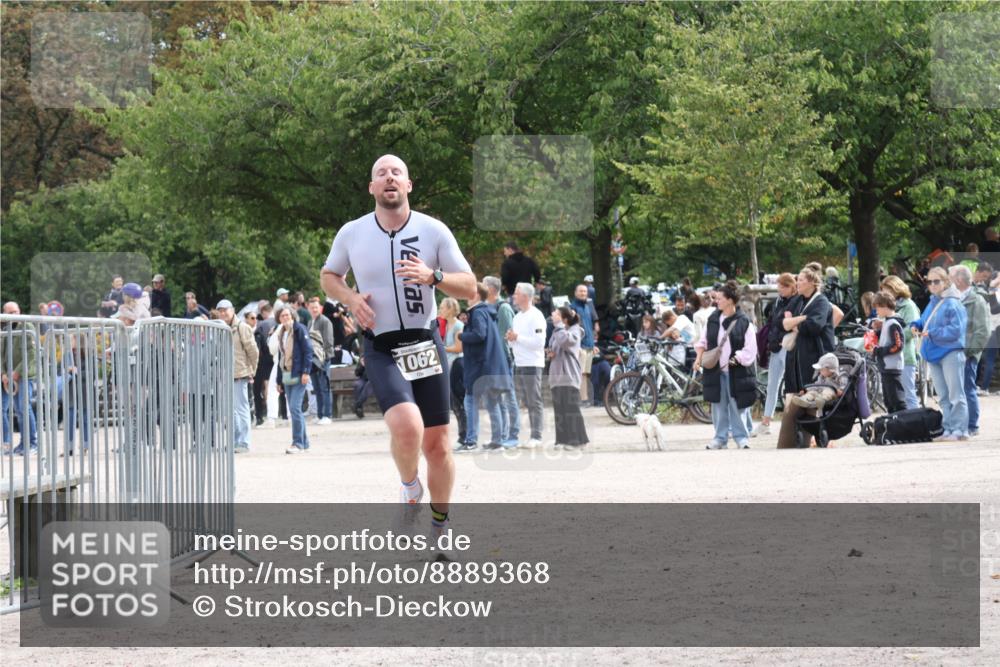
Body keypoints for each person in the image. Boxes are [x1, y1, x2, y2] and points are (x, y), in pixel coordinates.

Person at [320, 154, 476, 538]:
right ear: (372, 188)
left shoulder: (433, 230)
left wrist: (433, 275)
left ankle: (440, 527)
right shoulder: (352, 232)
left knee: (438, 444)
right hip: (381, 345)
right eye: (380, 173)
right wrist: (351, 299)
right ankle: (410, 488)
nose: (389, 177)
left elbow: (470, 287)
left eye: (397, 172)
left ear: (408, 185)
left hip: (425, 342)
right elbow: (329, 275)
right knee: (407, 427)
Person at [776, 267, 836, 449]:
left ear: (811, 282)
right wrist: (799, 320)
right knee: (794, 392)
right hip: (795, 355)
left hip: (815, 355)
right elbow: (781, 322)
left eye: (801, 280)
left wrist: (794, 322)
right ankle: (796, 437)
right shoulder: (796, 301)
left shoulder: (822, 302)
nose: (798, 283)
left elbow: (814, 325)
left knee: (813, 392)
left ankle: (817, 436)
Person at [693, 281, 757, 449]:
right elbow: (703, 341)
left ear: (730, 300)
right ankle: (720, 438)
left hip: (736, 371)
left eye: (720, 298)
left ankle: (741, 438)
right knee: (718, 406)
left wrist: (738, 358)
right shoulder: (713, 319)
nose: (716, 301)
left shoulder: (744, 321)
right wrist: (698, 358)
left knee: (737, 405)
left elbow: (750, 348)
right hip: (715, 370)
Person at [911, 267, 967, 441]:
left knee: (956, 395)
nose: (932, 285)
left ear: (946, 282)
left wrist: (933, 333)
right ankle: (948, 428)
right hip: (934, 353)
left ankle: (959, 430)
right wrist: (916, 324)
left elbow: (957, 330)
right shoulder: (933, 301)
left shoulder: (953, 303)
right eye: (930, 281)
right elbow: (925, 320)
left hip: (950, 352)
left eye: (937, 281)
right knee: (943, 396)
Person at [460, 283, 515, 450]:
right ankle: (497, 440)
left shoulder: (478, 312)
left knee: (470, 401)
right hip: (488, 366)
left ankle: (471, 441)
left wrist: (461, 335)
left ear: (476, 295)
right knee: (492, 403)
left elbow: (479, 334)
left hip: (480, 367)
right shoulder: (486, 311)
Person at [752, 273, 797, 437]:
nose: (780, 289)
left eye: (783, 286)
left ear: (792, 286)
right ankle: (766, 421)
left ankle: (792, 419)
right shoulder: (778, 301)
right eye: (779, 286)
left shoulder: (796, 301)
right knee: (772, 384)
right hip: (777, 345)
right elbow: (775, 322)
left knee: (791, 384)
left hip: (787, 345)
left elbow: (786, 324)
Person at [949, 265, 990, 436]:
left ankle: (972, 425)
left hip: (967, 353)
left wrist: (969, 352)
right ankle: (959, 423)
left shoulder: (977, 300)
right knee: (956, 390)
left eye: (950, 278)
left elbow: (983, 330)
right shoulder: (954, 298)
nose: (948, 281)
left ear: (958, 280)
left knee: (967, 388)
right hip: (953, 351)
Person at [506, 282, 546, 448]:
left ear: (526, 296)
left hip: (532, 363)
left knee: (533, 400)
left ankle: (536, 436)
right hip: (519, 362)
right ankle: (523, 434)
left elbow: (539, 342)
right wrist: (510, 340)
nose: (514, 295)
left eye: (516, 292)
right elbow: (515, 341)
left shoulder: (536, 316)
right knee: (523, 400)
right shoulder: (517, 316)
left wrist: (517, 338)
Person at [217, 299, 259, 453]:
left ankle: (244, 442)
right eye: (220, 310)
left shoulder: (243, 327)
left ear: (233, 310)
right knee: (232, 411)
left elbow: (253, 352)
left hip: (240, 373)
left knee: (241, 409)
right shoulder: (220, 328)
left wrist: (252, 371)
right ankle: (235, 441)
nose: (223, 313)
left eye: (225, 310)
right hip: (226, 375)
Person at [484, 275, 519, 446]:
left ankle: (513, 435)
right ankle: (501, 436)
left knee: (509, 397)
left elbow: (506, 337)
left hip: (503, 359)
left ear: (491, 289)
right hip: (492, 359)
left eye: (483, 286)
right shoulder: (486, 307)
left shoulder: (503, 308)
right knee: (497, 399)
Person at [548, 306, 589, 448]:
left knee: (571, 409)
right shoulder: (557, 331)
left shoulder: (575, 330)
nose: (553, 315)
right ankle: (562, 440)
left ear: (564, 319)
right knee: (559, 410)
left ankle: (578, 440)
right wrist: (550, 352)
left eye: (557, 314)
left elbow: (567, 342)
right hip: (556, 375)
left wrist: (559, 327)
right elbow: (554, 346)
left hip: (569, 375)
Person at [880, 275, 922, 409]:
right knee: (895, 395)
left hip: (905, 356)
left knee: (908, 395)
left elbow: (913, 329)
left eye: (887, 290)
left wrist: (894, 334)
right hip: (892, 357)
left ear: (895, 289)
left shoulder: (909, 306)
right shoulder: (892, 307)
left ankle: (915, 425)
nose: (884, 294)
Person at [273, 306, 312, 452]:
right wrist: (278, 380)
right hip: (286, 375)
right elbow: (280, 357)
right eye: (282, 316)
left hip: (299, 373)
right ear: (279, 318)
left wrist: (306, 372)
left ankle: (297, 443)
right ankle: (304, 443)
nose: (285, 317)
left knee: (295, 408)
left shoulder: (299, 329)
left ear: (292, 316)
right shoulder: (281, 333)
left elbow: (308, 351)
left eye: (287, 315)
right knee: (294, 409)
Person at [1, 301, 38, 455]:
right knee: (18, 410)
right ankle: (23, 444)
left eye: (15, 311)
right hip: (10, 376)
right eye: (10, 313)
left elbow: (31, 353)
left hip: (24, 375)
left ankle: (33, 443)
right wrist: (3, 373)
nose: (14, 315)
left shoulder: (27, 326)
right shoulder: (5, 329)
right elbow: (1, 355)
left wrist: (16, 372)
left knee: (24, 407)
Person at [867, 292, 907, 414]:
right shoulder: (887, 322)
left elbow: (897, 345)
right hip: (886, 367)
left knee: (897, 401)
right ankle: (893, 427)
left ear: (885, 306)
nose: (876, 311)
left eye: (877, 308)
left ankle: (903, 425)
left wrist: (878, 351)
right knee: (889, 401)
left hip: (892, 368)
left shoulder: (893, 324)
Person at [438, 298, 467, 446]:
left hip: (457, 365)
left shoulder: (458, 325)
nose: (440, 309)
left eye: (442, 307)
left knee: (459, 402)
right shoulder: (447, 325)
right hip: (450, 365)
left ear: (450, 309)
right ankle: (463, 436)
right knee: (455, 403)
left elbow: (458, 348)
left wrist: (440, 348)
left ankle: (465, 436)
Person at [569, 284, 600, 403]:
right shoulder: (573, 307)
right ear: (575, 293)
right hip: (580, 346)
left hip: (589, 344)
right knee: (580, 373)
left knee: (586, 373)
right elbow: (572, 328)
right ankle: (583, 399)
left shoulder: (588, 306)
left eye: (585, 292)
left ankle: (585, 398)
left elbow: (591, 327)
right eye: (581, 291)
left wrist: (593, 344)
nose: (583, 293)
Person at [307, 297, 336, 425]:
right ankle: (319, 415)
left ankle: (327, 415)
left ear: (320, 308)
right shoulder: (309, 322)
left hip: (323, 359)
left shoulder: (325, 321)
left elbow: (329, 342)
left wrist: (324, 359)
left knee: (325, 387)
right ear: (308, 308)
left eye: (316, 307)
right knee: (317, 388)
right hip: (312, 360)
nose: (314, 309)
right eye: (312, 307)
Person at [974, 262, 1000, 394]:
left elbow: (994, 309)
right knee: (987, 358)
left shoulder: (993, 291)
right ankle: (983, 386)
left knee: (988, 358)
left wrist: (991, 289)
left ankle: (983, 387)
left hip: (994, 328)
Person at [253, 302, 275, 427]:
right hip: (276, 359)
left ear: (263, 312)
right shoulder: (279, 323)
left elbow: (257, 345)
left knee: (261, 387)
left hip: (262, 361)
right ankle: (282, 413)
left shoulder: (261, 325)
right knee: (275, 386)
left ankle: (260, 416)